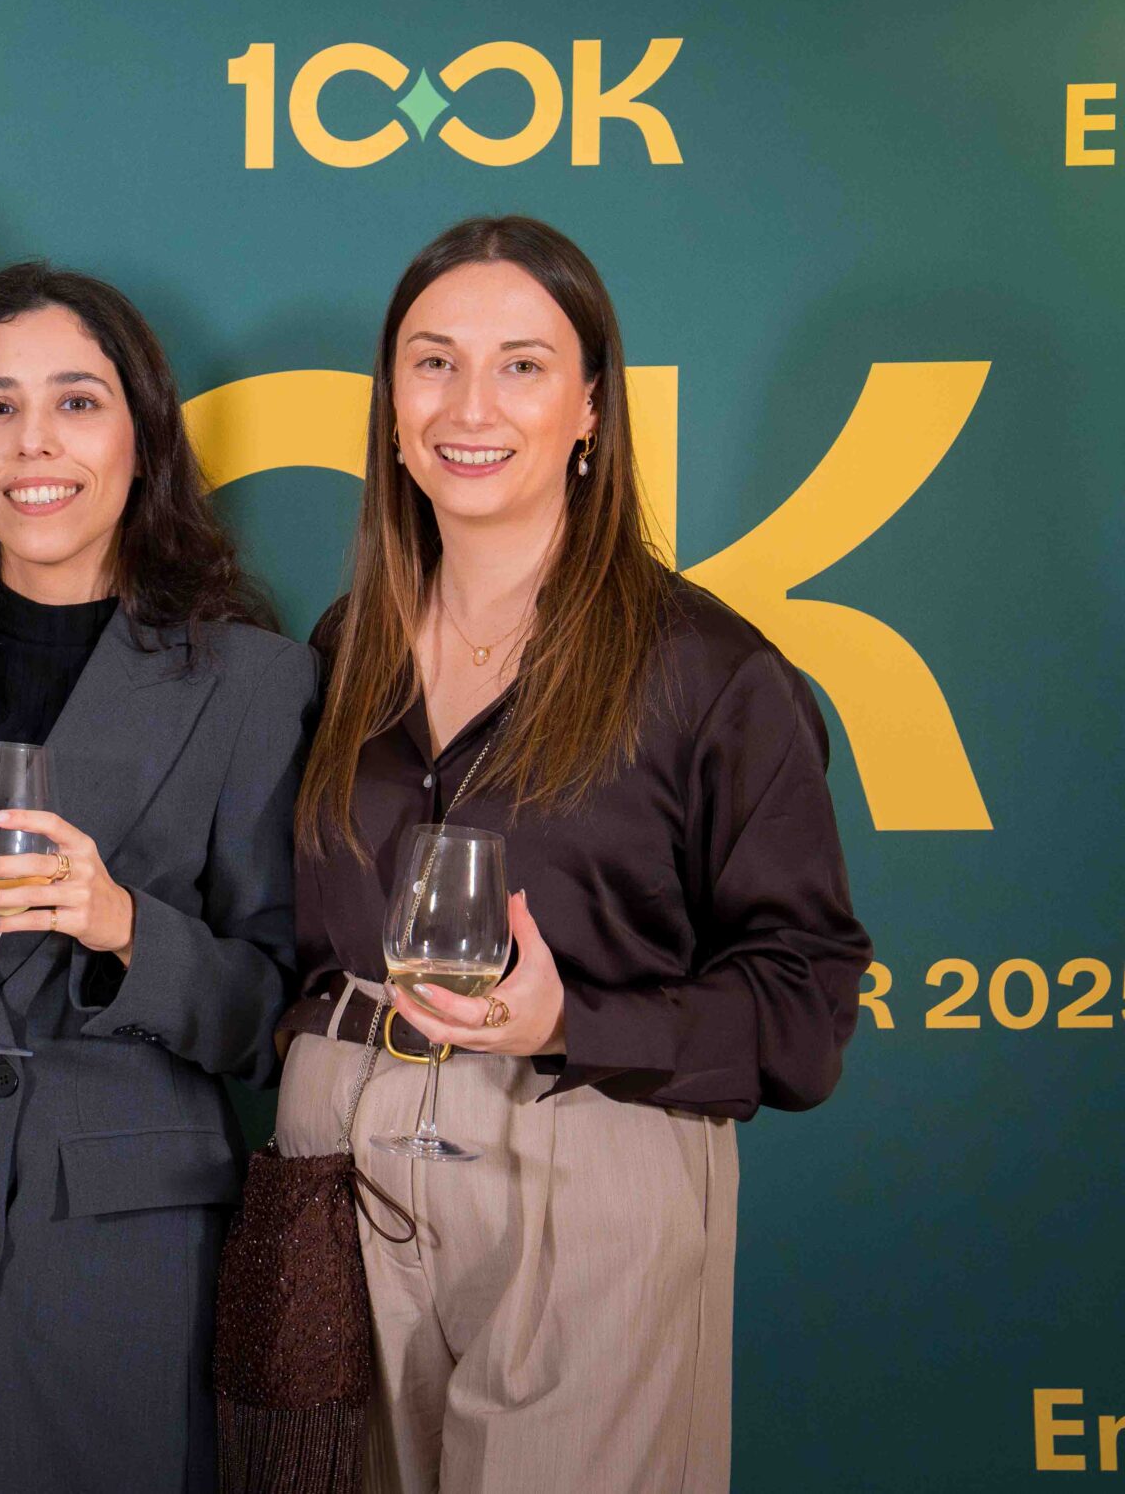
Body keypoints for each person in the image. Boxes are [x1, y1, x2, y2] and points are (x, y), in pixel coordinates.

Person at [268, 215, 871, 1494]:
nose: (468, 406)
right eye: (433, 363)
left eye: (522, 366)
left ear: (591, 406)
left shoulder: (708, 671)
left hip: (584, 1156)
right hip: (342, 1173)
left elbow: (806, 1008)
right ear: (389, 406)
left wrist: (567, 1020)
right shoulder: (339, 646)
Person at [0, 262, 317, 1494]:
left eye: (77, 402)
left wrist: (124, 925)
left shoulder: (252, 683)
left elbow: (275, 1020)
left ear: (143, 438)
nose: (33, 442)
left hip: (105, 1266)